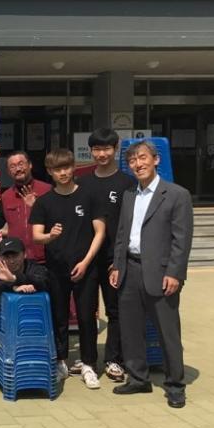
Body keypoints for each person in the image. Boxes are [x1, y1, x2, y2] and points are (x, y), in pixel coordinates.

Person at [111, 140, 193, 408]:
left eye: (143, 158)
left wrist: (175, 273)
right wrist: (117, 265)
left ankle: (175, 385)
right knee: (131, 329)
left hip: (161, 273)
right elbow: (122, 234)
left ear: (156, 160)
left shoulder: (177, 194)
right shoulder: (129, 195)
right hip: (130, 269)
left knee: (167, 332)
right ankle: (138, 378)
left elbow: (182, 240)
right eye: (133, 160)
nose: (138, 164)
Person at [30, 149, 106, 389]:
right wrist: (50, 236)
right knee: (59, 317)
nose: (62, 173)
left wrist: (86, 262)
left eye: (66, 167)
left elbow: (100, 232)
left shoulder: (89, 196)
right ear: (50, 172)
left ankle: (88, 364)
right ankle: (60, 361)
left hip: (86, 268)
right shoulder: (44, 202)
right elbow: (36, 235)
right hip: (56, 269)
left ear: (73, 168)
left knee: (86, 317)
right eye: (57, 169)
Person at [78, 128, 137, 382]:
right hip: (88, 259)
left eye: (106, 149)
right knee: (86, 311)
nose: (101, 154)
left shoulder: (127, 183)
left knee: (115, 310)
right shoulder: (83, 182)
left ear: (116, 149)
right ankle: (88, 359)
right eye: (96, 149)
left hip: (115, 258)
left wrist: (121, 259)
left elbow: (132, 224)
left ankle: (114, 359)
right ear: (91, 151)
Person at [0, 238, 49, 341]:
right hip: (2, 321)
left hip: (32, 321)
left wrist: (14, 278)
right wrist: (13, 287)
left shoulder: (33, 267)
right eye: (6, 257)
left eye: (15, 256)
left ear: (24, 254)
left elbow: (44, 282)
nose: (11, 261)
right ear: (0, 257)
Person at [0, 151, 52, 264]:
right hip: (17, 261)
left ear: (30, 165)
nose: (18, 169)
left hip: (45, 258)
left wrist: (37, 207)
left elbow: (58, 220)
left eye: (21, 164)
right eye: (12, 166)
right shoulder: (6, 196)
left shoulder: (47, 190)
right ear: (9, 172)